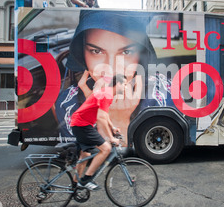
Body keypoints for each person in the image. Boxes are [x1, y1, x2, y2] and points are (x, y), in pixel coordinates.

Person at [55, 10, 173, 145]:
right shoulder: (68, 103)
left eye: (126, 52)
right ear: (83, 54)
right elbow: (87, 155)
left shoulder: (162, 92)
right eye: (96, 51)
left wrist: (121, 122)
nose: (111, 67)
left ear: (140, 55)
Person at [70, 74, 126, 190]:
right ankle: (86, 180)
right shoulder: (107, 94)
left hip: (81, 123)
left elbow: (104, 115)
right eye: (124, 85)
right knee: (106, 148)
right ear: (118, 84)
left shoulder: (107, 93)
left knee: (85, 154)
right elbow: (100, 118)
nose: (125, 88)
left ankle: (75, 185)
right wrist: (110, 138)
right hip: (82, 124)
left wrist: (112, 128)